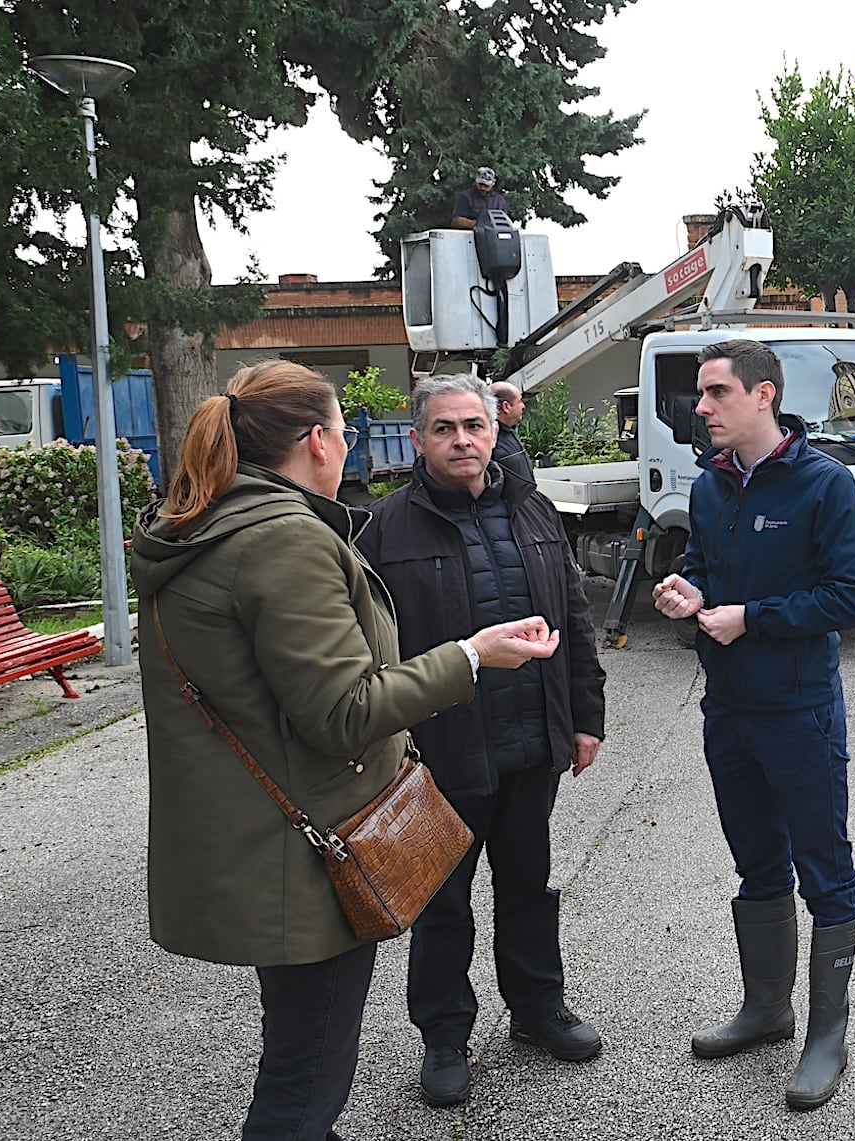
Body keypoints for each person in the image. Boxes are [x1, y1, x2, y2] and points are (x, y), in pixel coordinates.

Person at [131, 360, 562, 1141]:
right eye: (341, 428)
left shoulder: (210, 524)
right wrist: (468, 656)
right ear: (317, 441)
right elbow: (342, 711)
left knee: (302, 1058)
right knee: (302, 1087)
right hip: (303, 854)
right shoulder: (284, 540)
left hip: (259, 835)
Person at [355, 375, 608, 1107]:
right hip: (443, 750)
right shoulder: (385, 530)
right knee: (443, 900)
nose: (462, 439)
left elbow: (574, 619)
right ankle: (444, 1036)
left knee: (528, 884)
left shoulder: (533, 509)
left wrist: (585, 717)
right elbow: (372, 651)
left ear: (494, 431)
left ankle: (537, 1009)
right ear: (418, 439)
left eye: (473, 425)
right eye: (444, 428)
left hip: (532, 743)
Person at [651, 339, 855, 1111]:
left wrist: (753, 617)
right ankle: (767, 1009)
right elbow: (713, 571)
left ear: (763, 395)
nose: (701, 408)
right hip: (730, 710)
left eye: (715, 393)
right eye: (701, 395)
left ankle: (825, 1035)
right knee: (756, 863)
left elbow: (853, 597)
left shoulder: (824, 485)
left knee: (826, 871)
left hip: (801, 711)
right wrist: (690, 589)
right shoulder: (711, 489)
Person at [490, 380, 535, 481]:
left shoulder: (506, 433)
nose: (523, 406)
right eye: (519, 401)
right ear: (506, 406)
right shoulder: (493, 442)